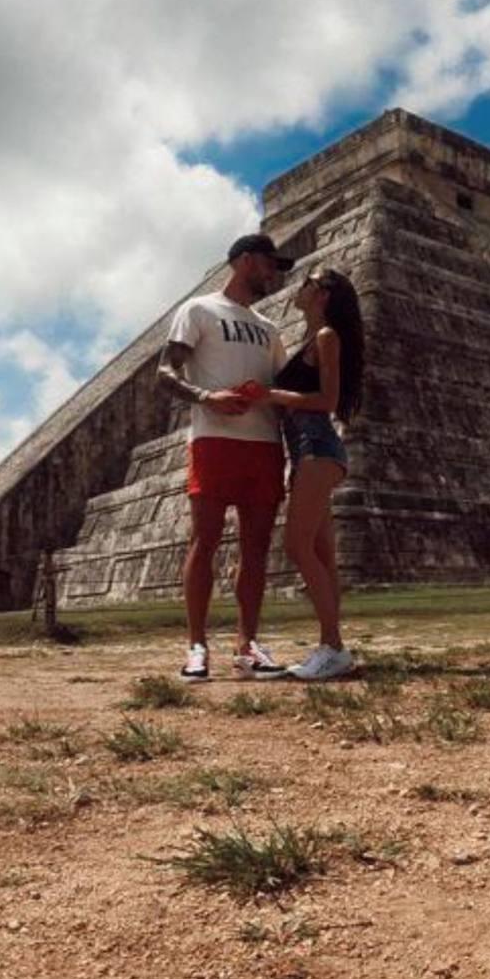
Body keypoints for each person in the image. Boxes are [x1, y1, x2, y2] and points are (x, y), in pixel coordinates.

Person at [156, 233, 294, 681]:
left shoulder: (270, 328)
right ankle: (197, 645)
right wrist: (206, 396)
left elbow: (278, 385)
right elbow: (165, 369)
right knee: (205, 540)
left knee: (256, 550)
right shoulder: (199, 309)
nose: (274, 273)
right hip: (214, 438)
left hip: (265, 443)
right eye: (270, 264)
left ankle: (247, 643)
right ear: (245, 261)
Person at [257, 267, 364, 681]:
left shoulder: (325, 337)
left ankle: (335, 647)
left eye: (307, 282)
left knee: (298, 547)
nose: (299, 287)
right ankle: (328, 645)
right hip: (307, 451)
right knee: (321, 557)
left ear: (322, 294)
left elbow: (328, 399)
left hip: (316, 448)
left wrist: (271, 394)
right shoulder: (312, 339)